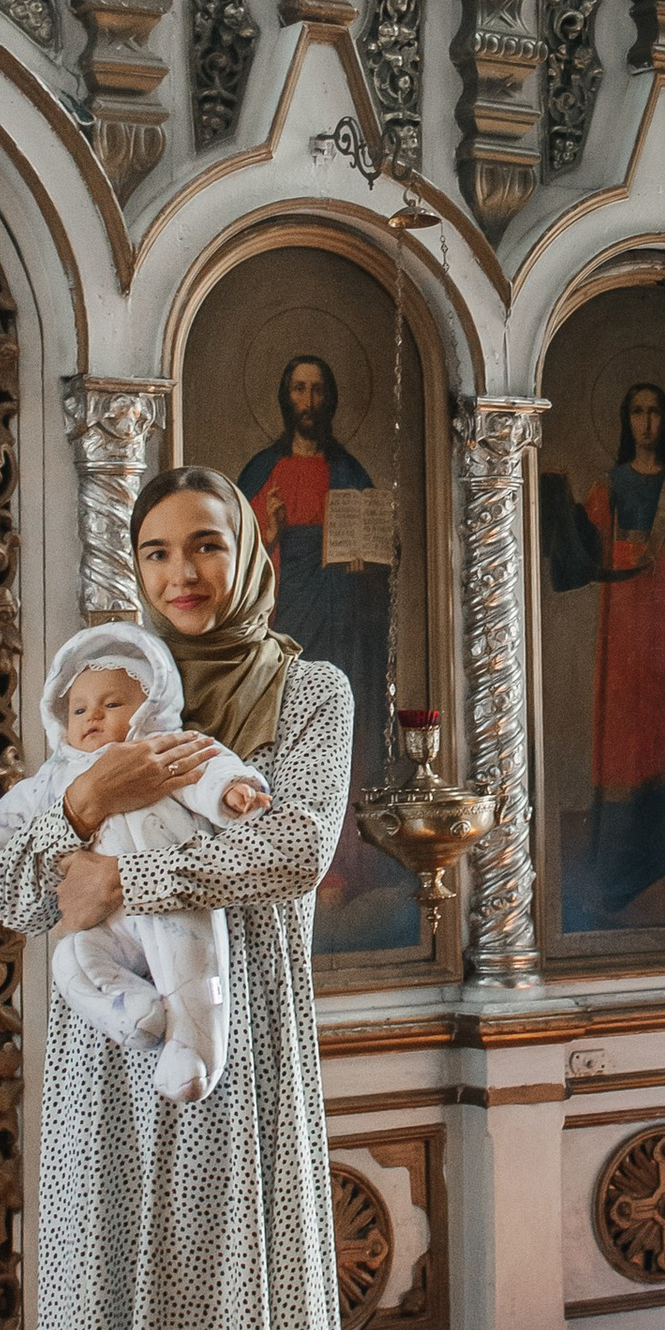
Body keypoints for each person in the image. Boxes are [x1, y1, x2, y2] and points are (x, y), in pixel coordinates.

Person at [0, 468, 357, 1330]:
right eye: (158, 552)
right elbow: (24, 878)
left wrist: (129, 869)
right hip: (110, 1064)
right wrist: (92, 804)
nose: (182, 573)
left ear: (250, 553)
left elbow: (301, 842)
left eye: (206, 546)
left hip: (234, 1053)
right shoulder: (111, 688)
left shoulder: (303, 691)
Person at [0, 623, 269, 1108]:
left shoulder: (164, 749)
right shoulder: (54, 776)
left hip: (169, 902)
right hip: (103, 924)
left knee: (195, 969)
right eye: (78, 709)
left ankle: (196, 1050)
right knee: (71, 961)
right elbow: (6, 818)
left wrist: (230, 791)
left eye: (112, 704)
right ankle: (134, 1011)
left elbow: (209, 766)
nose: (92, 716)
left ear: (151, 708)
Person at [540, 382, 665, 924]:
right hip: (627, 621)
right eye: (636, 412)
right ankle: (625, 862)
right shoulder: (611, 484)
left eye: (654, 411)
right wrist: (560, 505)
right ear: (625, 421)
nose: (646, 422)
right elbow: (584, 552)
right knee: (629, 732)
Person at [237, 352, 399, 933]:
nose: (308, 402)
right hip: (283, 619)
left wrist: (367, 562)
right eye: (299, 390)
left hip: (342, 621)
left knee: (339, 732)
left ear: (330, 401)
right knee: (281, 734)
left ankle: (345, 865)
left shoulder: (350, 471)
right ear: (286, 399)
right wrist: (267, 529)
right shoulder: (261, 471)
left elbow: (381, 551)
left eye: (318, 391)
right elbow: (232, 561)